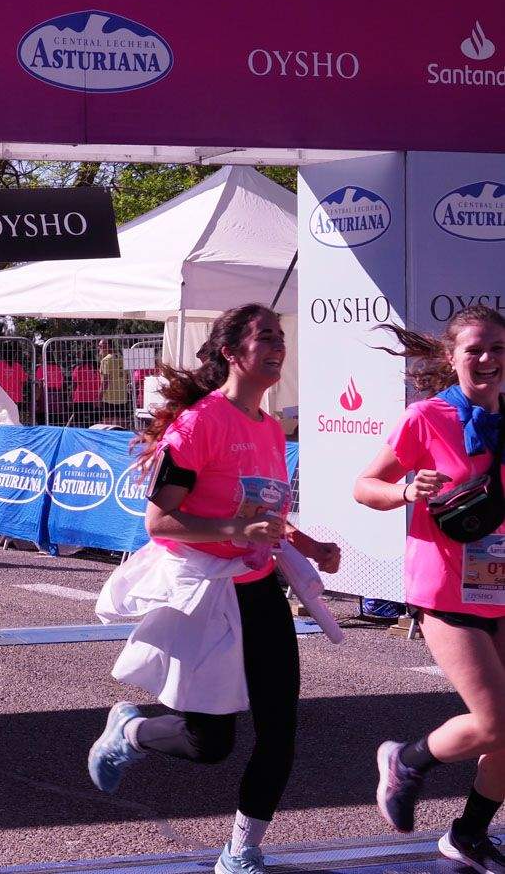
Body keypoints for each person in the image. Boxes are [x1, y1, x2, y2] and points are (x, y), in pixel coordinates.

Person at [87, 303, 340, 874]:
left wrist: (307, 543)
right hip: (205, 591)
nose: (278, 347)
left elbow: (267, 511)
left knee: (280, 728)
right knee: (210, 743)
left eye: (281, 337)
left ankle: (241, 852)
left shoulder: (270, 427)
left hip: (258, 589)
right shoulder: (198, 424)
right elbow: (159, 521)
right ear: (232, 353)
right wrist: (231, 529)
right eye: (265, 338)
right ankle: (130, 730)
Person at [355, 305, 505, 871]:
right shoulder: (426, 418)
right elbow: (365, 485)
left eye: (497, 348)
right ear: (451, 357)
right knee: (492, 721)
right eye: (475, 349)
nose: (488, 359)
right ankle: (406, 760)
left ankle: (468, 834)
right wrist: (406, 492)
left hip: (502, 587)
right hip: (444, 588)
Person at [99, 339, 130, 424]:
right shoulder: (122, 359)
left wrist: (99, 396)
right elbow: (127, 378)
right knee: (121, 425)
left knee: (107, 425)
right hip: (122, 397)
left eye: (101, 346)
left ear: (108, 346)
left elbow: (106, 380)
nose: (99, 348)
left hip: (109, 398)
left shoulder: (106, 360)